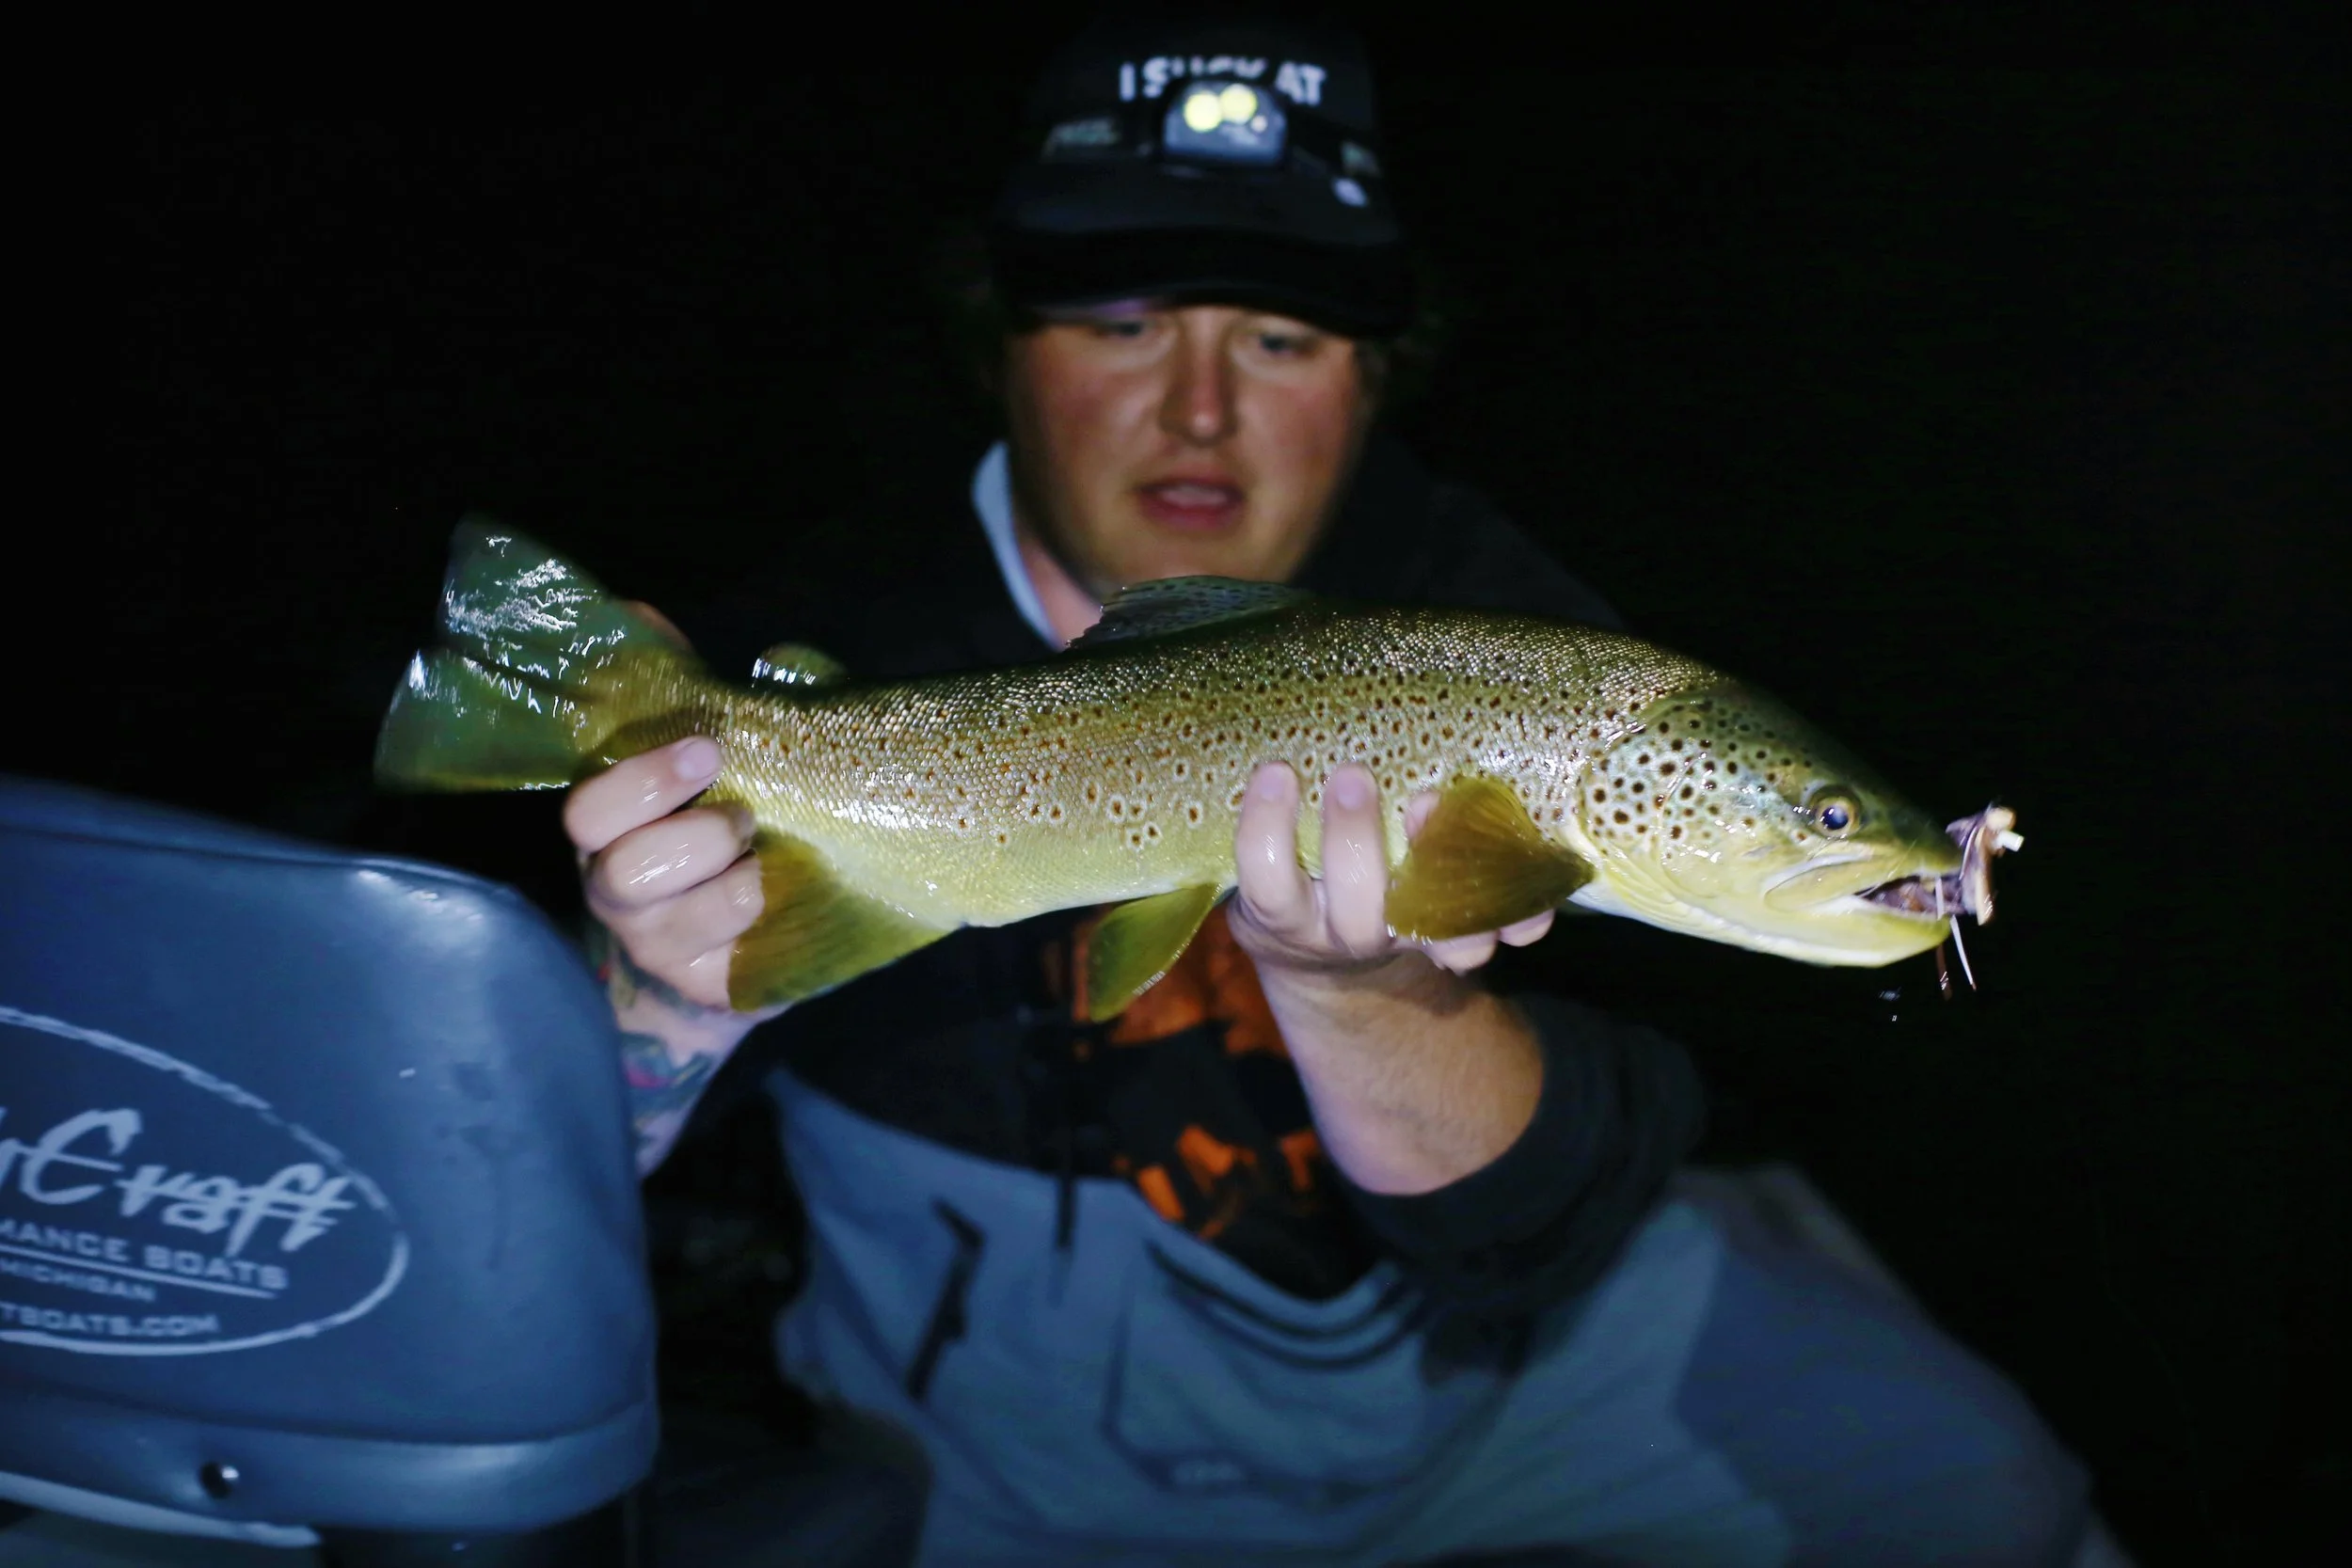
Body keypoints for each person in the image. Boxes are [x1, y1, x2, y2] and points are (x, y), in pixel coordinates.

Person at [565, 16, 2108, 1566]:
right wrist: (668, 970)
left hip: (1481, 1381)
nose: (1199, 409)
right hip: (1001, 1434)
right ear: (1000, 344)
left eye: (1282, 339)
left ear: (1376, 379)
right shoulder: (829, 637)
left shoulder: (1517, 628)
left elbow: (1544, 1225)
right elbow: (550, 1179)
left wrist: (1357, 993)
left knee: (1999, 1495)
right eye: (1121, 322)